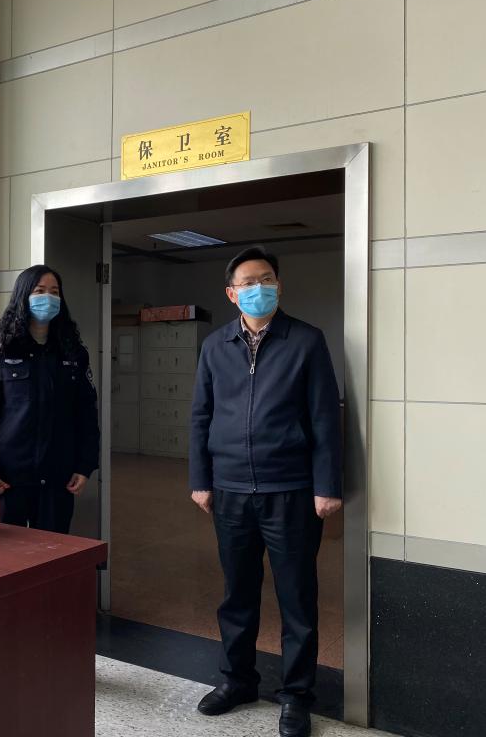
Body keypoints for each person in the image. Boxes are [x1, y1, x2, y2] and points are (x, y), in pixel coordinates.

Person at [189, 247, 342, 737]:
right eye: (249, 282)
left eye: (268, 278)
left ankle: (296, 695)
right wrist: (200, 479)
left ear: (279, 285)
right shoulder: (215, 345)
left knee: (297, 597)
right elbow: (201, 415)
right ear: (232, 294)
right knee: (237, 594)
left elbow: (325, 417)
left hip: (291, 490)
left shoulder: (307, 341)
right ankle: (237, 681)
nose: (261, 288)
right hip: (230, 490)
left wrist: (327, 486)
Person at [0, 265, 100, 534]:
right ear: (23, 296)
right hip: (7, 479)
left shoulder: (73, 352)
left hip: (58, 478)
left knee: (52, 551)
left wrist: (85, 466)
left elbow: (86, 414)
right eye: (39, 291)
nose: (48, 297)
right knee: (3, 551)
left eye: (54, 292)